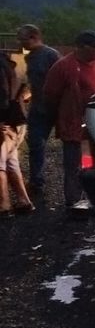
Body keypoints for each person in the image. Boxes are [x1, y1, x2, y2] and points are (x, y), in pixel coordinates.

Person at [43, 31, 95, 211]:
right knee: (74, 166)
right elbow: (50, 96)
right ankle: (74, 202)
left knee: (93, 164)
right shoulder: (64, 66)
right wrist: (63, 116)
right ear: (82, 47)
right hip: (74, 127)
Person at [15, 24, 61, 195]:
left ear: (34, 37)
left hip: (53, 107)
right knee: (35, 144)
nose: (20, 43)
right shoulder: (30, 58)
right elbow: (31, 83)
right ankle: (37, 181)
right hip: (37, 108)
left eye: (23, 39)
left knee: (69, 144)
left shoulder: (51, 55)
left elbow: (61, 79)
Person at [1, 51, 34, 216]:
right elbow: (25, 90)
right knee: (11, 163)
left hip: (5, 122)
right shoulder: (9, 64)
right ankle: (24, 202)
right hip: (18, 119)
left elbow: (2, 95)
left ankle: (4, 206)